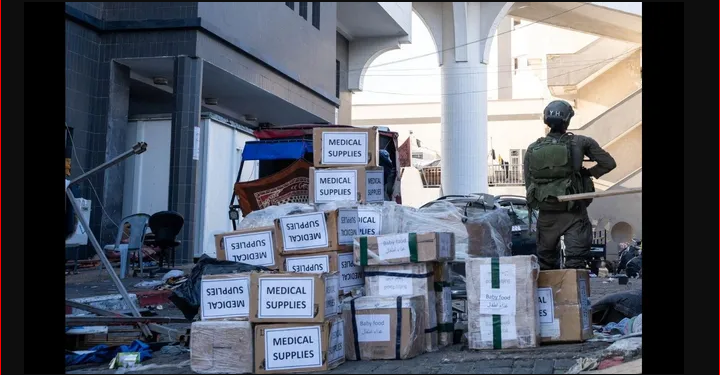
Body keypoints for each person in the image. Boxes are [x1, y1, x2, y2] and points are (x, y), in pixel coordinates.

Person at [523, 100, 616, 270]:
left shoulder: (532, 148)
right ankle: (573, 295)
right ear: (568, 120)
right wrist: (587, 173)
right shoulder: (581, 142)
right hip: (574, 212)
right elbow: (608, 163)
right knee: (575, 264)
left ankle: (549, 295)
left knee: (546, 264)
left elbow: (529, 183)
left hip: (546, 214)